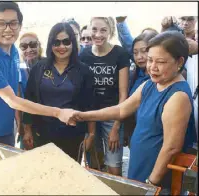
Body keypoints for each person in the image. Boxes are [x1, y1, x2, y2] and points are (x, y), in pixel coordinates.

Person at [71, 31, 197, 189]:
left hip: (156, 177)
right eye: (150, 60)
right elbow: (121, 110)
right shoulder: (151, 84)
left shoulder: (178, 96)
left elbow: (171, 148)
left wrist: (152, 183)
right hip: (140, 165)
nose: (153, 67)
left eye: (161, 62)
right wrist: (82, 116)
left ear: (179, 62)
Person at [0, 2, 75, 155]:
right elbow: (12, 100)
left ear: (20, 26)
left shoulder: (13, 51)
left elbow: (15, 90)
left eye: (13, 23)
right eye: (1, 24)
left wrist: (20, 124)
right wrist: (57, 112)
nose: (8, 29)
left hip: (6, 128)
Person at [22, 22, 95, 161]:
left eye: (66, 42)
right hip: (41, 135)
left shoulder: (84, 71)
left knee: (68, 178)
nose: (61, 47)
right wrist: (27, 131)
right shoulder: (39, 68)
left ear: (73, 44)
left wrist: (91, 134)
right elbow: (29, 100)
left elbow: (90, 105)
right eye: (56, 42)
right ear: (50, 44)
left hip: (73, 136)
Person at [79, 17, 130, 175]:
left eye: (103, 30)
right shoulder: (84, 55)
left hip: (112, 115)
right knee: (95, 163)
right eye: (94, 29)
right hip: (91, 116)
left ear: (110, 32)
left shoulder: (119, 53)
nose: (98, 34)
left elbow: (123, 94)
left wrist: (116, 126)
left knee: (114, 165)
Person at [124, 32, 158, 147]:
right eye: (135, 53)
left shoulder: (162, 78)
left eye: (144, 51)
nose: (139, 56)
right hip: (134, 134)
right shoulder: (134, 74)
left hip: (153, 137)